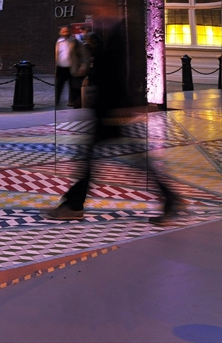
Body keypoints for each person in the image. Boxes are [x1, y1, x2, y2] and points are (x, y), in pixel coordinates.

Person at [44, 22, 181, 224]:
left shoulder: (117, 32)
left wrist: (123, 106)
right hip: (107, 110)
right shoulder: (108, 32)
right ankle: (74, 204)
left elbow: (118, 72)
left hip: (111, 111)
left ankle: (74, 205)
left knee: (126, 161)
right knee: (118, 161)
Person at [54, 25, 84, 108]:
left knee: (74, 87)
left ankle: (75, 103)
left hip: (72, 67)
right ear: (60, 33)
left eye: (67, 31)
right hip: (61, 67)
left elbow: (82, 54)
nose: (65, 33)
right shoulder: (58, 42)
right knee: (58, 86)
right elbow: (57, 55)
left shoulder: (75, 41)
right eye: (63, 32)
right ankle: (56, 103)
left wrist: (81, 66)